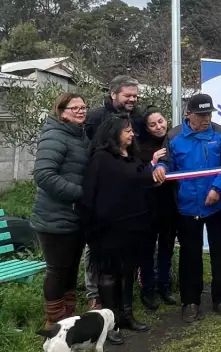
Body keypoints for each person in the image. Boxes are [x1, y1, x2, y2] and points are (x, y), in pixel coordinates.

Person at [82, 115, 168, 346]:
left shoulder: (131, 157)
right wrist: (91, 227)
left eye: (132, 131)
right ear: (114, 133)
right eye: (127, 131)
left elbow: (140, 180)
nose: (132, 134)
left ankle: (126, 315)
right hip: (109, 228)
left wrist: (153, 180)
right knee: (109, 274)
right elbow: (91, 194)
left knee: (128, 271)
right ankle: (108, 324)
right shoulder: (101, 158)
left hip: (133, 226)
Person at [169, 93, 221, 323]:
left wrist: (218, 189)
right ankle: (190, 301)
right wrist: (158, 166)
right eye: (201, 115)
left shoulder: (219, 133)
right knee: (190, 254)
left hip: (218, 204)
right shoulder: (174, 136)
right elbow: (165, 165)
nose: (206, 118)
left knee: (220, 252)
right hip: (187, 207)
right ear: (189, 114)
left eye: (208, 113)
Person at [31, 93, 91, 329]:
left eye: (83, 107)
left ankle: (68, 318)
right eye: (74, 107)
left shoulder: (80, 136)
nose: (80, 110)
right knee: (57, 270)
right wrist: (80, 193)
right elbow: (44, 175)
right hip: (53, 217)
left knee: (70, 269)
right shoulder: (54, 135)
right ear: (61, 111)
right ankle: (53, 322)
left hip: (74, 217)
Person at [83, 74, 140, 309]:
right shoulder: (96, 118)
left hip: (127, 213)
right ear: (113, 94)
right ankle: (97, 299)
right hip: (104, 212)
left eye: (135, 96)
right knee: (103, 263)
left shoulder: (136, 119)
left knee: (125, 265)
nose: (132, 100)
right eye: (128, 95)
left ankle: (125, 310)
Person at [134, 107, 178, 310]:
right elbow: (136, 174)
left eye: (161, 121)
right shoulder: (139, 146)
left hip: (170, 202)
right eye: (153, 124)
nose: (159, 127)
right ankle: (148, 289)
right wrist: (152, 161)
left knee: (167, 247)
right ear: (146, 128)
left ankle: (164, 285)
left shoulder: (173, 141)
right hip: (148, 204)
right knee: (147, 248)